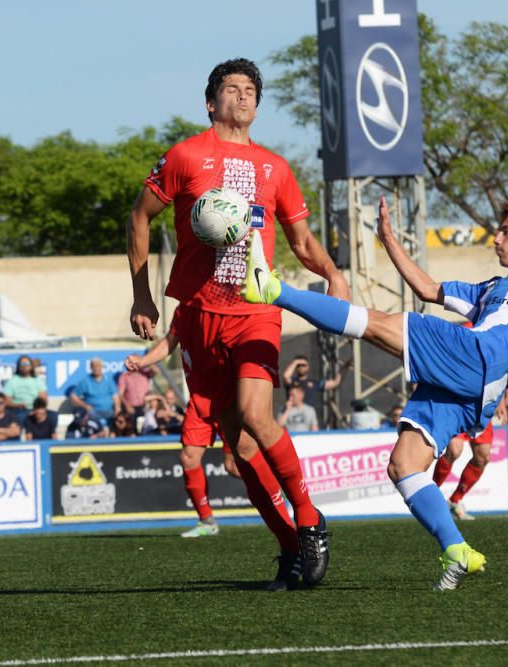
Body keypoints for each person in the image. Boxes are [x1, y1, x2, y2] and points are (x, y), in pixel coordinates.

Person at [242, 196, 508, 589]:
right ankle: (457, 549)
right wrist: (389, 241)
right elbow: (427, 290)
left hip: (479, 356)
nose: (496, 238)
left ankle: (273, 290)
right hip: (473, 386)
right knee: (404, 465)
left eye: (506, 231)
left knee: (376, 324)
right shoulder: (492, 289)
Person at [128, 59, 345, 590]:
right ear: (211, 102)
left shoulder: (276, 168)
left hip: (255, 310)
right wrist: (143, 298)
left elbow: (302, 241)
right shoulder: (185, 156)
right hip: (198, 316)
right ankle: (290, 548)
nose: (242, 97)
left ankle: (310, 518)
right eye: (231, 89)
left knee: (255, 412)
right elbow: (138, 217)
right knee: (241, 449)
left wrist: (334, 275)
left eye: (250, 90)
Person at [125, 320, 289, 565]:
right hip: (201, 397)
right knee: (188, 457)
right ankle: (207, 521)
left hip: (229, 395)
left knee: (235, 465)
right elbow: (169, 343)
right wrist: (142, 362)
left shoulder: (224, 306)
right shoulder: (185, 310)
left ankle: (284, 505)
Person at [432, 423, 495, 521]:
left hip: (481, 412)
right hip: (458, 409)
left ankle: (454, 501)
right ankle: (429, 495)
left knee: (482, 458)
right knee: (454, 451)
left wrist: (501, 406)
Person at [69, 358, 120, 425]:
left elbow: (115, 395)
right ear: (91, 367)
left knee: (121, 419)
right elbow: (73, 396)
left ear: (102, 367)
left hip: (109, 411)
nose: (96, 368)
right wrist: (86, 406)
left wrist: (117, 408)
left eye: (98, 366)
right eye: (94, 366)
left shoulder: (109, 380)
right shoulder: (86, 381)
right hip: (93, 411)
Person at [282, 355, 346, 408]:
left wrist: (344, 368)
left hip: (308, 416)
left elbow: (335, 382)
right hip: (293, 415)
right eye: (298, 365)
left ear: (308, 367)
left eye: (303, 365)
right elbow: (285, 376)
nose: (301, 367)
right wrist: (295, 362)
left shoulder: (314, 383)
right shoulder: (292, 381)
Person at [4, 355, 48, 425]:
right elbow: (6, 401)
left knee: (53, 415)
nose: (24, 366)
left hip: (35, 409)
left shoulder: (37, 380)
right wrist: (17, 405)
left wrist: (37, 410)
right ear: (18, 367)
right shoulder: (12, 381)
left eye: (27, 364)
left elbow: (43, 399)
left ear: (31, 366)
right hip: (18, 410)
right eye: (22, 364)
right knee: (20, 416)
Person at [118, 362, 156, 429]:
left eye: (136, 363)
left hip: (146, 405)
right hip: (132, 407)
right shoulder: (124, 376)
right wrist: (127, 406)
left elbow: (155, 370)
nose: (134, 365)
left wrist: (147, 360)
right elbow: (120, 394)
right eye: (132, 363)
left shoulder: (146, 373)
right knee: (132, 424)